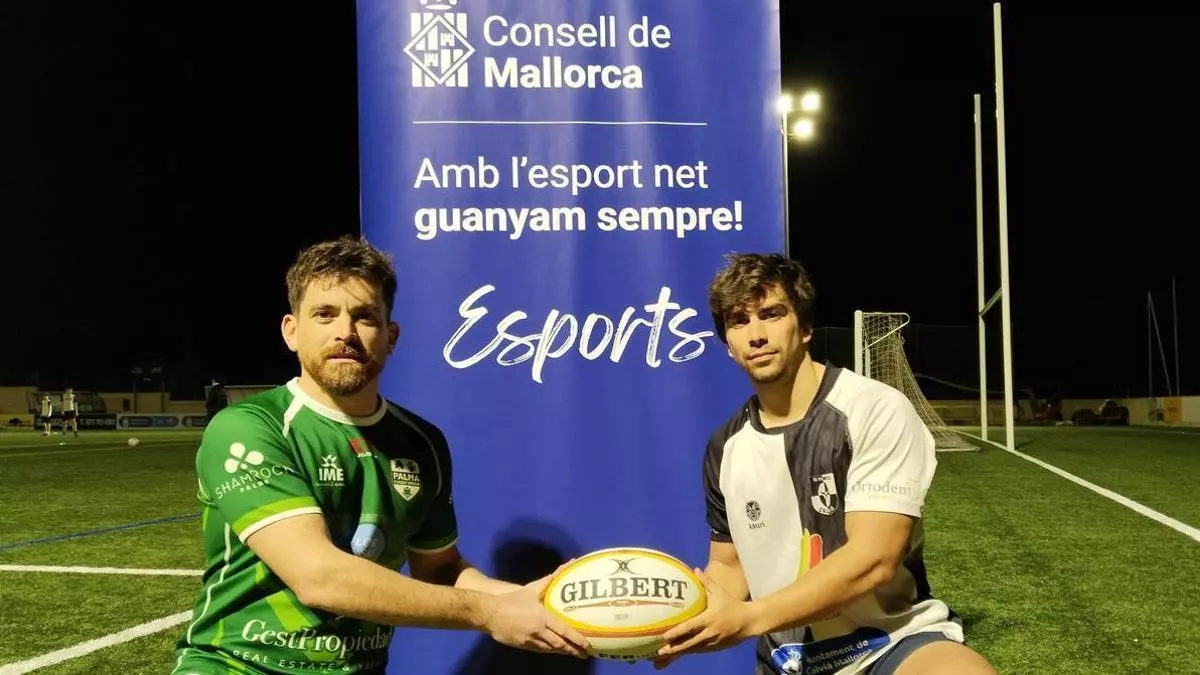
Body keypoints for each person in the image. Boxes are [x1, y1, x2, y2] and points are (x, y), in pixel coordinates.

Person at [173, 235, 588, 674]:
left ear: (391, 337)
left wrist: (543, 603)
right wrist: (488, 613)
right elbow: (318, 576)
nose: (345, 332)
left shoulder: (421, 441)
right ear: (291, 332)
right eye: (324, 314)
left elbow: (441, 569)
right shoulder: (249, 427)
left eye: (365, 316)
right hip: (237, 666)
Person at [654, 253, 995, 675]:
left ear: (805, 328)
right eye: (738, 321)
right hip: (790, 661)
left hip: (890, 642)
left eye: (771, 314)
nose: (756, 335)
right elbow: (729, 566)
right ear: (728, 344)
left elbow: (873, 558)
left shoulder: (874, 409)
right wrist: (667, 622)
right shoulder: (725, 446)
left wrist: (751, 618)